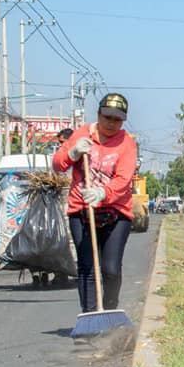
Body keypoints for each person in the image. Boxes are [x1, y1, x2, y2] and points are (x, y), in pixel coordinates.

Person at [53, 93, 137, 313]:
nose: (111, 123)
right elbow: (58, 165)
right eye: (107, 117)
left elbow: (124, 179)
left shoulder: (127, 143)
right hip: (82, 210)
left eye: (117, 119)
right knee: (87, 267)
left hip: (116, 212)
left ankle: (109, 311)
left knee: (110, 269)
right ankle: (90, 316)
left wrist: (103, 192)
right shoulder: (83, 134)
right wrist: (72, 152)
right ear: (98, 114)